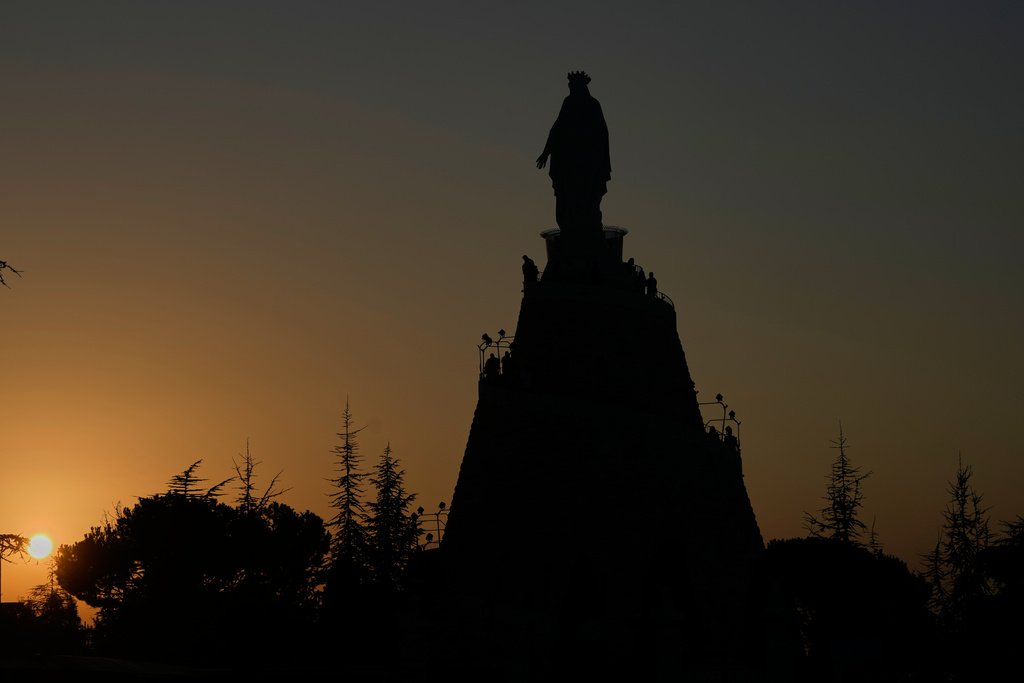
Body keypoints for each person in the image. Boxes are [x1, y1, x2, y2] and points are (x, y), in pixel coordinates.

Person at [536, 71, 611, 238]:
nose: (571, 90)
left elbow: (601, 135)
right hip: (571, 166)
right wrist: (546, 152)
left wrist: (546, 152)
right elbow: (558, 129)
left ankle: (584, 231)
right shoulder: (574, 103)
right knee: (572, 202)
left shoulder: (590, 105)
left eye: (573, 86)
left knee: (587, 202)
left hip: (586, 167)